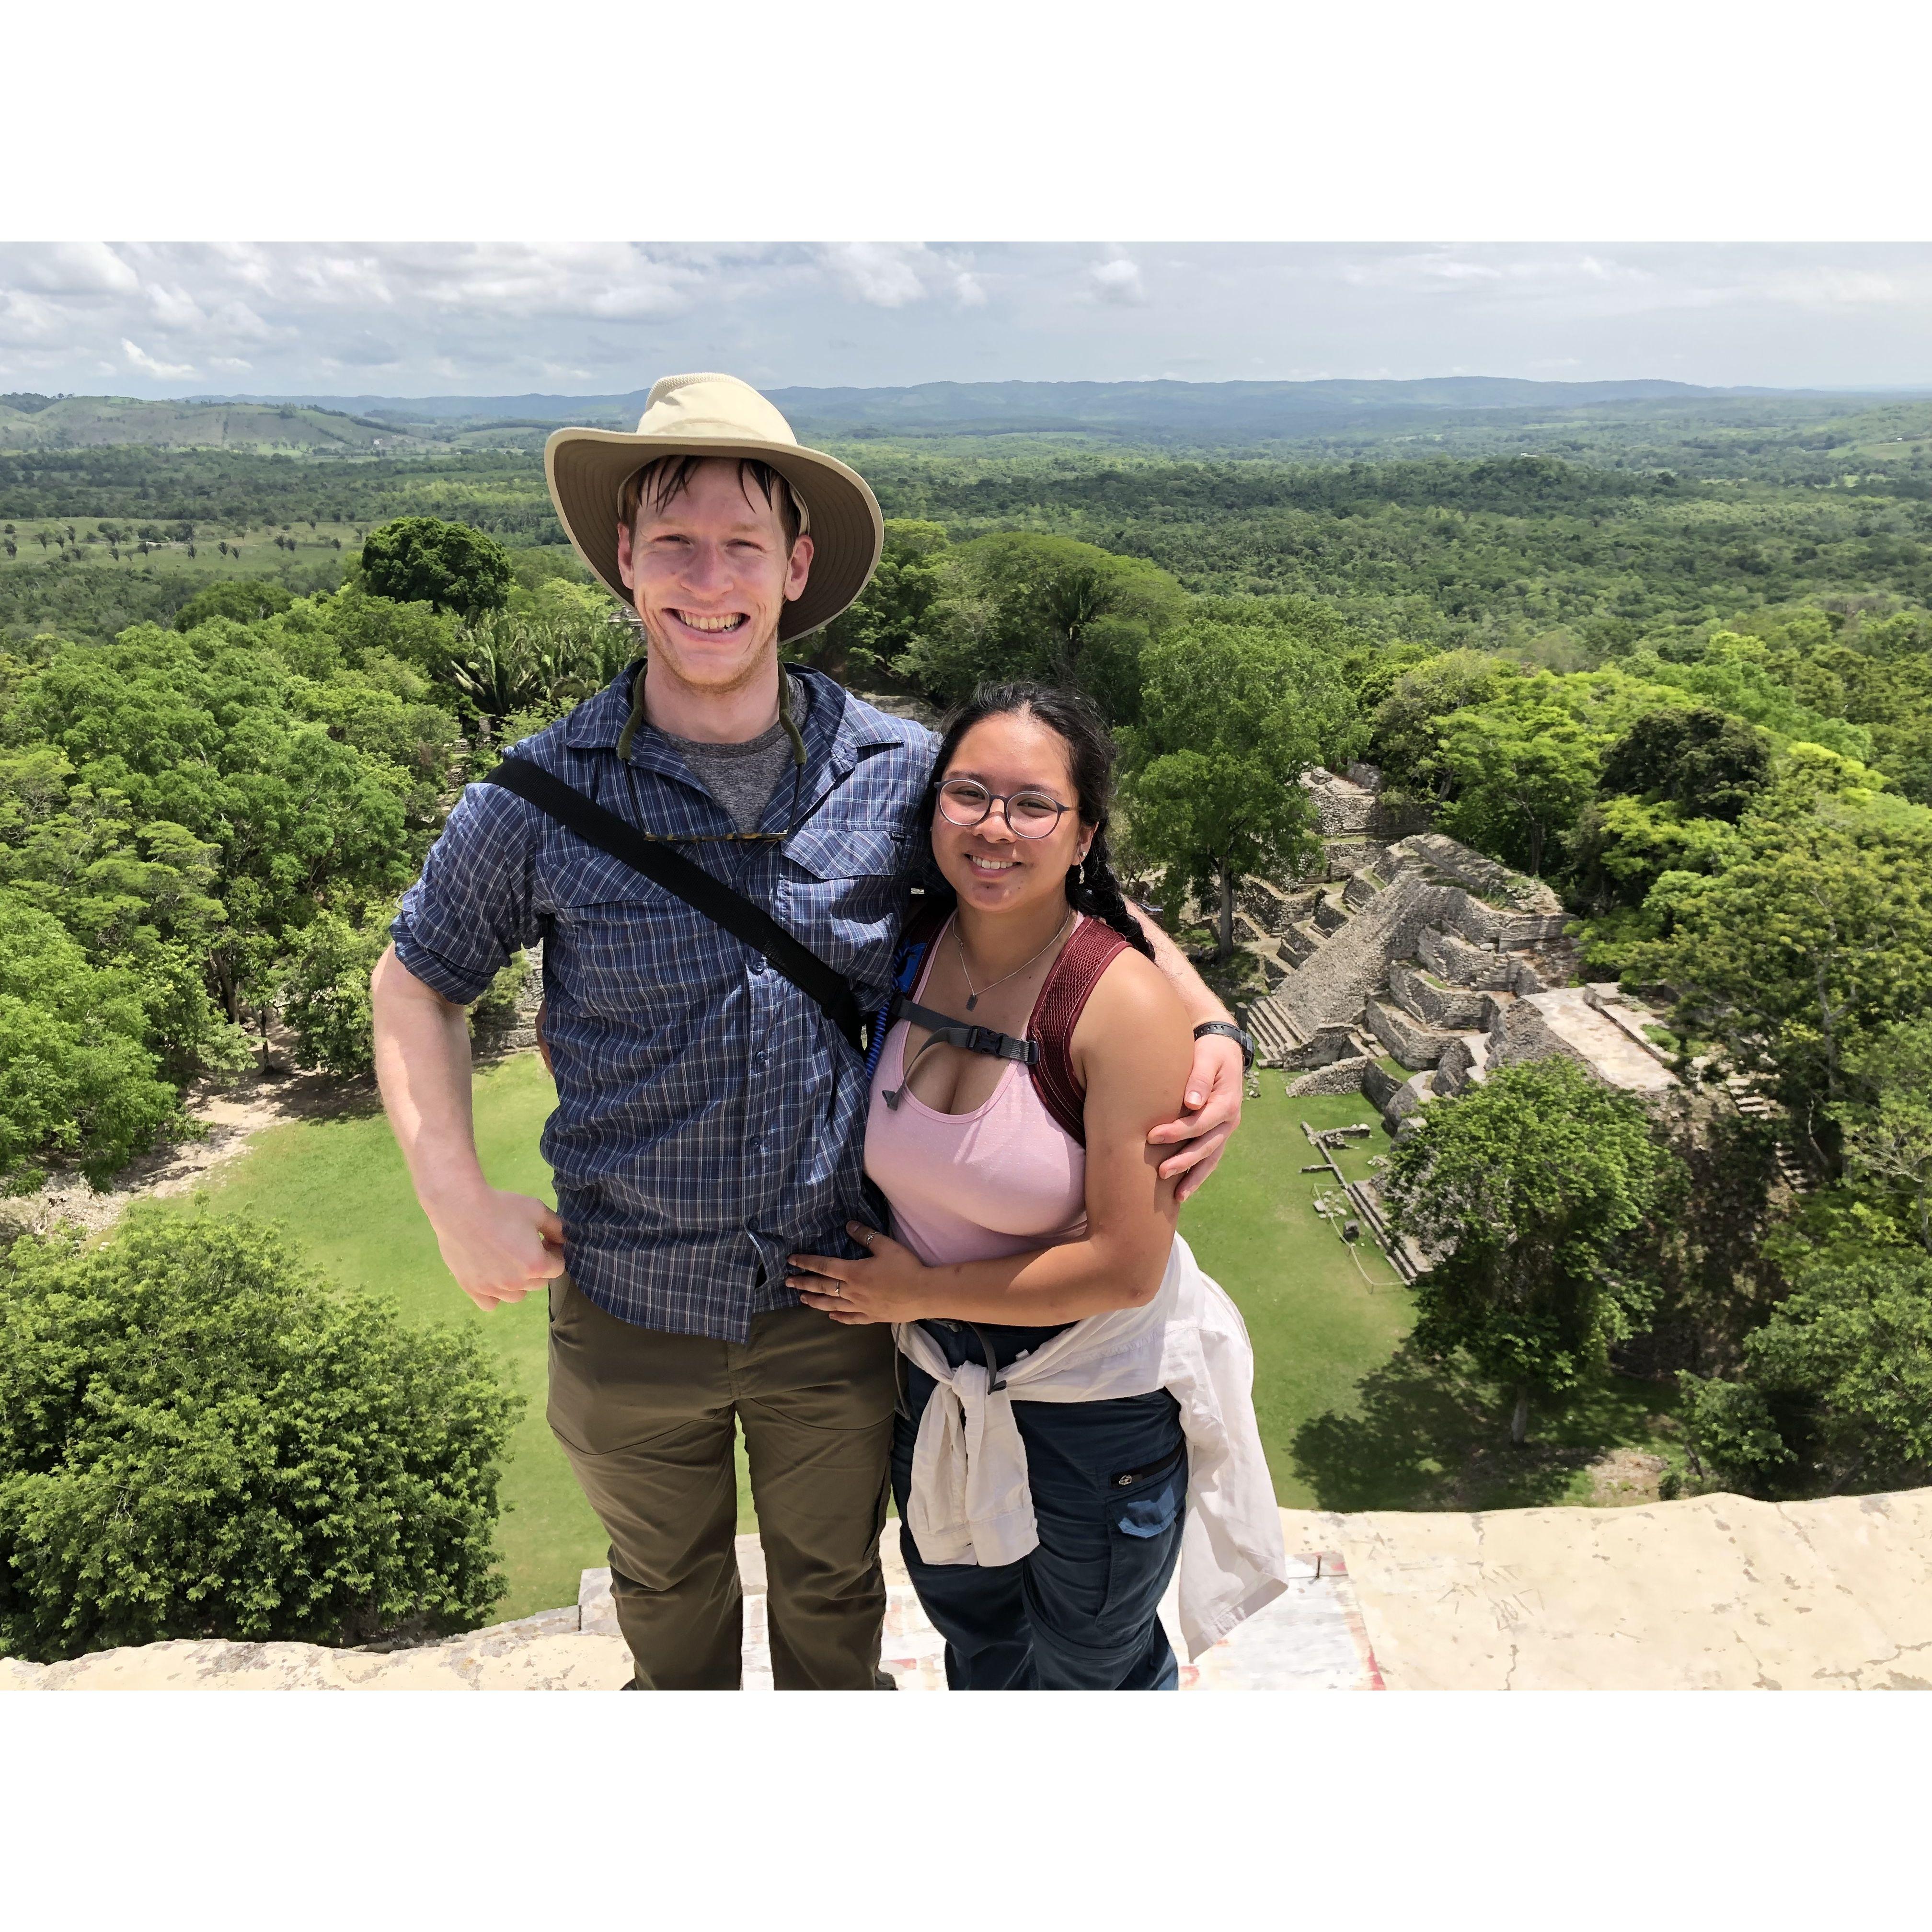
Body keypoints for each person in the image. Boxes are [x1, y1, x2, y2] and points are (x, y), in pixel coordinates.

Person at [370, 372, 1254, 1690]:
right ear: (624, 559)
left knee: (835, 1601)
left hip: (833, 1300)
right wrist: (453, 1197)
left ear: (795, 567)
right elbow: (415, 980)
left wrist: (1214, 1025)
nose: (706, 580)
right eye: (674, 542)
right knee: (666, 1606)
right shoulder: (537, 797)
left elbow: (1072, 888)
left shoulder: (896, 773)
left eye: (742, 544)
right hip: (628, 1297)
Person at [787, 683, 1286, 1690]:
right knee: (979, 1651)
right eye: (969, 794)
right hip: (939, 1384)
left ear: (1083, 833)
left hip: (1089, 1411)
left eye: (1034, 806)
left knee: (1092, 1674)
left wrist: (914, 1292)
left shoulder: (1120, 1006)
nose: (995, 828)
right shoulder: (909, 942)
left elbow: (1125, 1269)